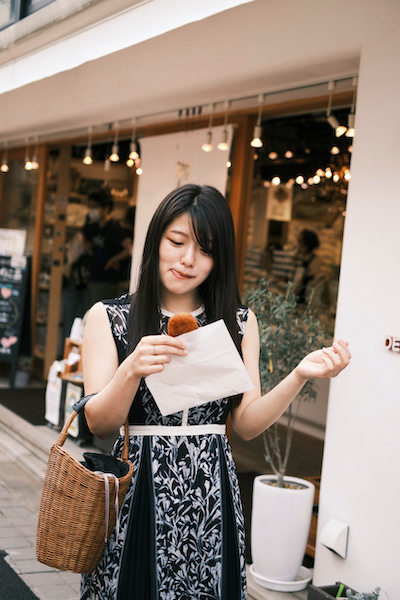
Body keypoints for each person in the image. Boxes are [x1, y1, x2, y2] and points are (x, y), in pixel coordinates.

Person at [78, 184, 351, 599]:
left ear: (219, 259)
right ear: (156, 240)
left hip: (212, 489)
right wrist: (131, 368)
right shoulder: (111, 317)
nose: (188, 260)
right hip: (138, 487)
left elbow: (245, 425)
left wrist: (298, 376)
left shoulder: (239, 323)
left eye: (205, 250)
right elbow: (99, 421)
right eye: (177, 242)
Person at [82, 187, 133, 310]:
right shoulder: (92, 227)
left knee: (100, 312)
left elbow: (129, 248)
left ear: (106, 208)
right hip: (92, 276)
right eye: (90, 207)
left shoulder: (114, 228)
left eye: (95, 207)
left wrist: (113, 260)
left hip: (107, 280)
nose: (92, 210)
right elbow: (85, 239)